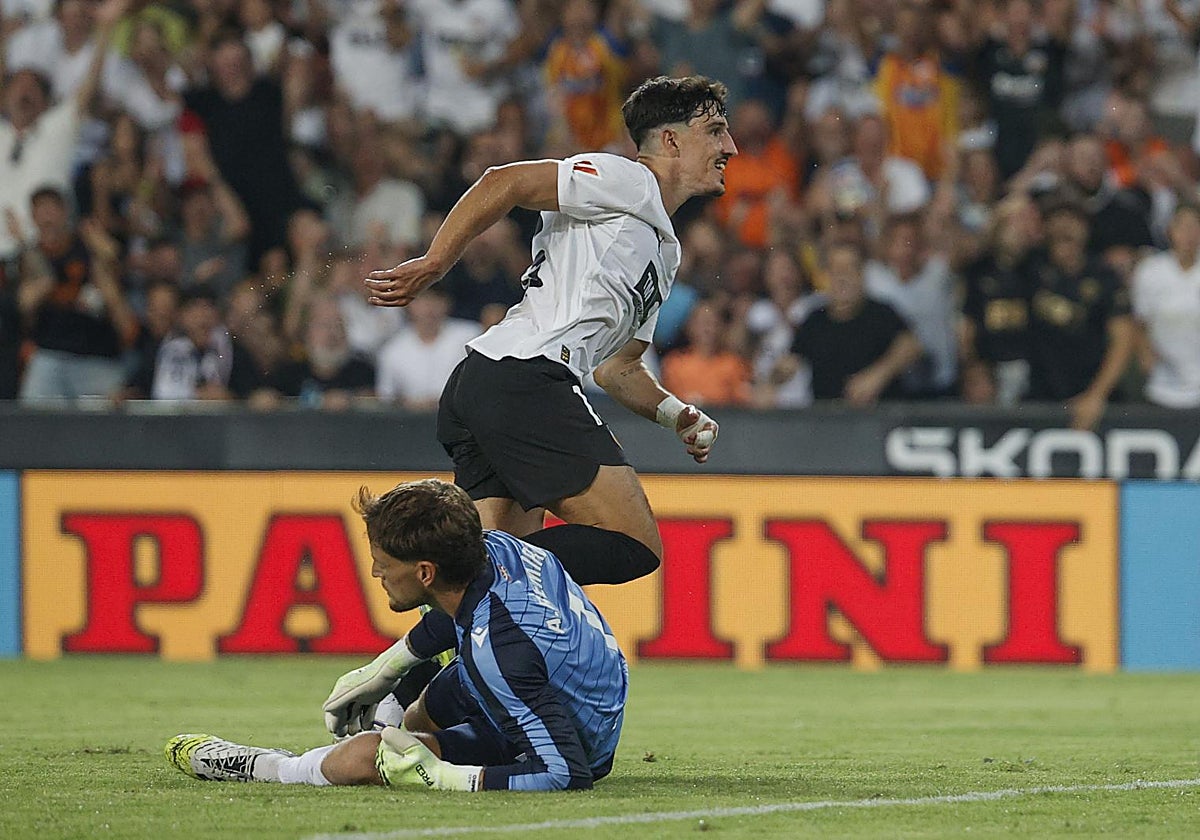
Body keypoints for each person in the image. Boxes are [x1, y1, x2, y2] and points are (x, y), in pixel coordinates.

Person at [362, 75, 735, 578]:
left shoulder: (664, 249)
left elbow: (617, 370)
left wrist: (677, 415)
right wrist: (435, 262)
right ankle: (431, 558)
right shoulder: (628, 179)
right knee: (632, 545)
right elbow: (505, 181)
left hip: (487, 381)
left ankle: (408, 646)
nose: (729, 147)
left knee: (487, 592)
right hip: (527, 380)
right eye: (714, 131)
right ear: (670, 140)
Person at [166, 478, 628, 792]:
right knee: (416, 705)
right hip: (576, 688)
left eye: (385, 564)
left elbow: (568, 772)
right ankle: (391, 720)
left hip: (574, 738)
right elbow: (465, 616)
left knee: (377, 756)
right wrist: (385, 669)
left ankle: (266, 766)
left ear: (425, 571)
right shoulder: (495, 548)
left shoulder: (502, 654)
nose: (374, 572)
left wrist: (443, 777)